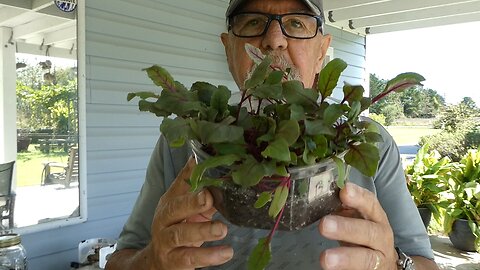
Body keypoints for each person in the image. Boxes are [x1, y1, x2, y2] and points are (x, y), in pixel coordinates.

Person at [106, 0, 440, 269]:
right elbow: (121, 260)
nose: (274, 40)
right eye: (252, 21)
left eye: (296, 23)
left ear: (323, 50)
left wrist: (394, 265)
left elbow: (425, 262)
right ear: (228, 47)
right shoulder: (186, 142)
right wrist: (151, 262)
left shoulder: (369, 141)